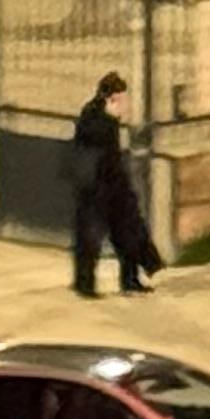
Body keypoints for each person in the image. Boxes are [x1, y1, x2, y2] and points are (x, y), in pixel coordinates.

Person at [68, 71, 161, 300]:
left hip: (113, 187)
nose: (126, 105)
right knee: (91, 237)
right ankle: (85, 284)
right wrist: (109, 120)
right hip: (96, 189)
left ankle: (130, 279)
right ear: (112, 98)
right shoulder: (94, 118)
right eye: (123, 99)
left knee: (127, 232)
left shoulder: (105, 117)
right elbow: (94, 151)